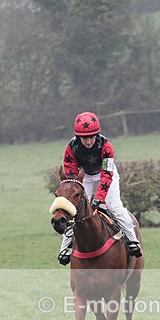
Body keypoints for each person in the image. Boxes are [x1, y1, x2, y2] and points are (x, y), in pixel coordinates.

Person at [56, 111, 142, 264]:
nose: (88, 141)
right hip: (85, 177)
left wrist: (99, 198)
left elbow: (107, 174)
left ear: (97, 134)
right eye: (84, 138)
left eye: (91, 136)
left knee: (114, 206)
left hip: (106, 174)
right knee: (73, 211)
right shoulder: (71, 148)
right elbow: (71, 175)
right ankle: (65, 248)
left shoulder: (106, 146)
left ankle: (132, 239)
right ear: (78, 137)